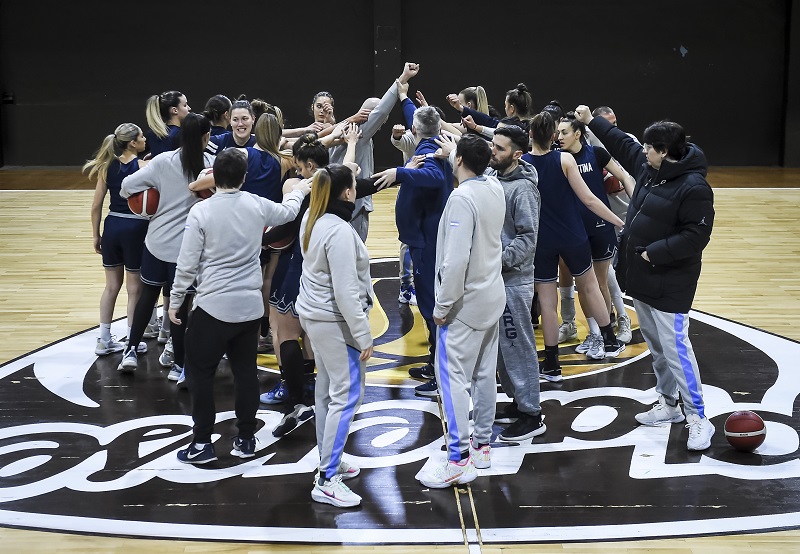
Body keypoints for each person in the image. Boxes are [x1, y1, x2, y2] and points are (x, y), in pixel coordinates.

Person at [575, 104, 716, 451]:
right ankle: (668, 405)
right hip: (641, 276)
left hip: (670, 282)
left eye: (650, 147)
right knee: (657, 349)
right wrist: (591, 121)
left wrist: (655, 252)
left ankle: (698, 417)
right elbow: (623, 143)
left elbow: (696, 236)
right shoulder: (651, 166)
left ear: (664, 152)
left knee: (676, 349)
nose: (643, 150)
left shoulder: (694, 187)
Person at [172, 149, 310, 464]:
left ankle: (203, 443)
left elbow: (187, 263)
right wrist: (301, 188)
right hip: (249, 309)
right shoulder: (257, 204)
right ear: (244, 178)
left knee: (200, 375)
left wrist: (177, 299)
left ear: (213, 178)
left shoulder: (201, 212)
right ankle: (246, 438)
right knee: (245, 373)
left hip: (212, 308)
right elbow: (288, 212)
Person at [415, 134, 506, 487]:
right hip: (492, 297)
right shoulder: (494, 186)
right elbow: (475, 162)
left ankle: (458, 459)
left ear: (457, 161)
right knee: (484, 375)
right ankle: (482, 445)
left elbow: (455, 261)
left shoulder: (460, 199)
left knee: (452, 379)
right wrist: (460, 149)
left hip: (464, 306)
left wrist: (442, 306)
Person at [521, 112, 625, 381]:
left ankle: (552, 363)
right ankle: (610, 341)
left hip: (541, 239)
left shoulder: (522, 163)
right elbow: (589, 199)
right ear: (553, 136)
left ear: (530, 135)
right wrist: (618, 221)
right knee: (590, 286)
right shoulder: (565, 159)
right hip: (572, 235)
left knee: (547, 300)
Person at [296, 164, 374, 508]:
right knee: (346, 397)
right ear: (346, 193)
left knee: (327, 394)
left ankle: (330, 457)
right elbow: (345, 291)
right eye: (354, 186)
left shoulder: (311, 220)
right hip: (335, 322)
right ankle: (327, 478)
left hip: (314, 317)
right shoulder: (340, 231)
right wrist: (363, 335)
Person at [118, 113, 212, 379]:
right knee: (181, 307)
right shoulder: (210, 167)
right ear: (206, 137)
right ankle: (179, 365)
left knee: (147, 298)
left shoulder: (161, 162)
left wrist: (149, 204)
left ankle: (130, 351)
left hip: (157, 243)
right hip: (188, 249)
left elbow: (126, 187)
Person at [373, 106, 454, 396]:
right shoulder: (430, 142)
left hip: (427, 243)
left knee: (433, 308)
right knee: (430, 307)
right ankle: (434, 362)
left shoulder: (430, 151)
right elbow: (417, 116)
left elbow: (433, 177)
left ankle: (442, 374)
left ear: (415, 130)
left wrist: (400, 172)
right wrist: (406, 96)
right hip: (423, 240)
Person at [485, 125, 546, 441]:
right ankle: (520, 403)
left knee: (517, 346)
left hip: (513, 281)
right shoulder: (495, 176)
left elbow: (527, 238)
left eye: (499, 148)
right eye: (493, 145)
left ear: (517, 155)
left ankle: (532, 414)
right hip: (496, 279)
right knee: (502, 350)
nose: (492, 151)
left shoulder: (522, 189)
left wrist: (497, 260)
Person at [555, 115, 636, 350]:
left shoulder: (597, 154)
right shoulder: (559, 159)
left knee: (600, 283)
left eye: (564, 132)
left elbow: (624, 177)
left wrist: (636, 211)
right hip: (574, 229)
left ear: (578, 134)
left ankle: (609, 327)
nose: (559, 137)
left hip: (600, 228)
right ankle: (595, 334)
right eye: (558, 133)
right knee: (584, 284)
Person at [327, 62, 420, 242]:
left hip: (335, 200)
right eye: (382, 119)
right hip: (353, 204)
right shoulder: (359, 133)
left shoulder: (342, 131)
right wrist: (403, 78)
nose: (383, 122)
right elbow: (382, 109)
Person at [85, 124, 149, 356]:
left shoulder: (105, 166)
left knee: (111, 286)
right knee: (134, 288)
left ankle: (103, 339)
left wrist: (95, 234)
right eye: (141, 137)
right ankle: (132, 342)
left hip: (112, 225)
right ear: (132, 143)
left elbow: (95, 206)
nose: (144, 139)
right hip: (136, 227)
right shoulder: (144, 166)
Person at [144, 91, 190, 157]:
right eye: (185, 105)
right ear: (175, 110)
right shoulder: (182, 134)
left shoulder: (152, 134)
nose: (189, 108)